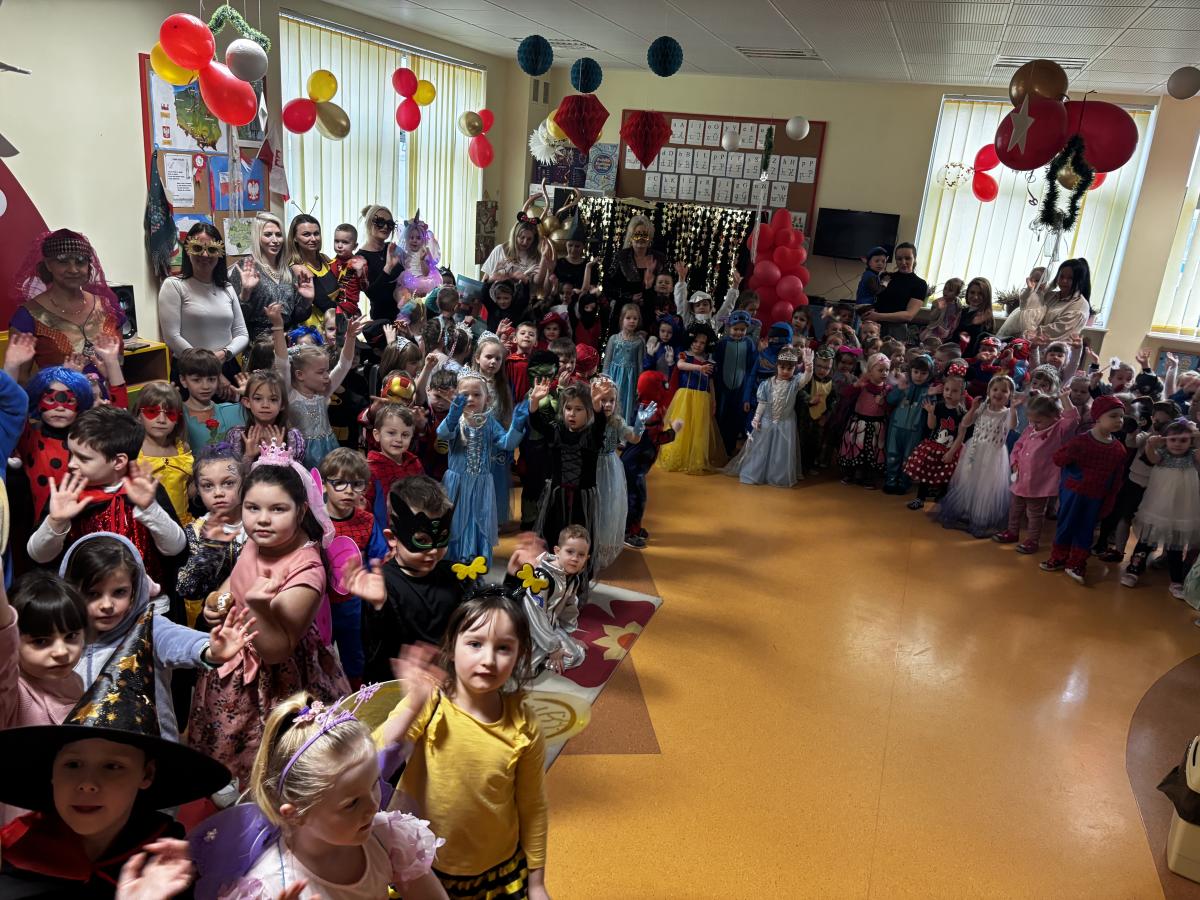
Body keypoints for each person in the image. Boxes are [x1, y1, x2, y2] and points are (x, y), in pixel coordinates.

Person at [0, 606, 230, 899]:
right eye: (72, 765)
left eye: (112, 766)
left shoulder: (165, 860)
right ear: (52, 773)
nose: (87, 784)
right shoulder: (16, 853)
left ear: (146, 774)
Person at [373, 590, 550, 900]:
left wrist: (537, 884)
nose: (488, 660)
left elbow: (532, 807)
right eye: (475, 644)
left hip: (496, 870)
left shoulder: (524, 725)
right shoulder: (431, 702)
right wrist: (413, 704)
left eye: (504, 648)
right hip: (423, 868)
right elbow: (375, 756)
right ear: (452, 648)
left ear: (520, 655)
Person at [191, 688, 448, 900]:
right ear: (295, 814)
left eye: (373, 784)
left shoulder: (385, 838)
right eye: (351, 803)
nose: (373, 806)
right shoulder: (273, 887)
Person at [189, 459, 351, 783]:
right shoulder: (262, 538)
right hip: (233, 659)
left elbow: (277, 651)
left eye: (278, 509)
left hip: (276, 680)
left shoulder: (308, 570)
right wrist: (216, 602)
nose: (262, 519)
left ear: (301, 511)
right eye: (253, 508)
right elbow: (235, 580)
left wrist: (258, 608)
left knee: (272, 765)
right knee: (225, 758)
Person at [61, 531, 251, 740]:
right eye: (93, 594)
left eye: (119, 592)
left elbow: (177, 639)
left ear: (135, 589)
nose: (107, 605)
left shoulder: (148, 626)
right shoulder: (62, 636)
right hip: (84, 750)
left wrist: (209, 650)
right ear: (71, 591)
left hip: (150, 750)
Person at [28, 406, 187, 589]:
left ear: (118, 461)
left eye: (83, 459)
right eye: (71, 454)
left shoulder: (146, 490)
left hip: (148, 600)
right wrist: (56, 521)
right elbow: (38, 556)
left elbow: (176, 548)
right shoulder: (67, 494)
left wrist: (150, 508)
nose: (71, 464)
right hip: (83, 599)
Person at [439, 371, 538, 566]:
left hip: (482, 485)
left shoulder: (489, 422)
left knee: (479, 522)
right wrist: (453, 415)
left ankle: (476, 564)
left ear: (488, 399)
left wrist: (518, 421)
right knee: (456, 523)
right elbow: (443, 433)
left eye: (477, 394)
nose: (470, 399)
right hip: (457, 486)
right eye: (465, 395)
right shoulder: (456, 421)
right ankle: (454, 564)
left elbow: (508, 443)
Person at [9, 228, 125, 382]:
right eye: (63, 261)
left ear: (89, 265)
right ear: (48, 265)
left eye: (80, 262)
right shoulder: (28, 316)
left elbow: (119, 365)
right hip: (59, 397)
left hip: (111, 396)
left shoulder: (107, 306)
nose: (73, 269)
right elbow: (19, 381)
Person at [1039, 394, 1127, 583]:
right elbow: (1058, 459)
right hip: (1074, 494)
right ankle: (1059, 557)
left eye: (1121, 416)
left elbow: (1116, 480)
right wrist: (1071, 453)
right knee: (1066, 525)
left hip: (1095, 497)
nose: (1119, 420)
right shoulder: (1081, 441)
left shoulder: (1118, 450)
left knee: (1086, 530)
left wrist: (1109, 501)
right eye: (1113, 415)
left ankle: (1077, 563)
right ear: (1098, 417)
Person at [270, 302, 362, 469]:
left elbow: (344, 364)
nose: (327, 376)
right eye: (321, 372)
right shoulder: (290, 393)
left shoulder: (323, 392)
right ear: (300, 375)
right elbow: (282, 362)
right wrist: (277, 326)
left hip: (329, 452)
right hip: (301, 455)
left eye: (326, 371)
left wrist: (350, 338)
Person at [156, 223, 248, 378]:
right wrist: (206, 365)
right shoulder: (174, 285)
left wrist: (225, 354)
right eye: (198, 248)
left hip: (226, 365)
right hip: (191, 370)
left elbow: (242, 333)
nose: (205, 255)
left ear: (220, 253)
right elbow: (171, 336)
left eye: (212, 249)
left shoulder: (227, 288)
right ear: (188, 250)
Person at [1121, 419, 1200, 597]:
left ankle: (1176, 580)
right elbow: (1152, 458)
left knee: (1176, 546)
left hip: (1181, 509)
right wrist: (1150, 444)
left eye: (1183, 440)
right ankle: (1133, 570)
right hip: (1157, 506)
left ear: (1191, 441)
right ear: (1165, 440)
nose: (1177, 444)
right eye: (1173, 440)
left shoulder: (1192, 455)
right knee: (1146, 541)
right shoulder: (1162, 454)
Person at [993, 390, 1078, 554]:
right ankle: (1012, 532)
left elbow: (1072, 419)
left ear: (1054, 416)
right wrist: (1014, 462)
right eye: (1032, 421)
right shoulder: (1031, 428)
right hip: (1020, 478)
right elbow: (1018, 446)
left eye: (1038, 421)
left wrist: (1065, 399)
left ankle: (1032, 540)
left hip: (1039, 482)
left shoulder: (1059, 429)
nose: (1033, 424)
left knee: (1034, 513)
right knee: (1015, 508)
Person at [935, 374, 1014, 537]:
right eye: (995, 389)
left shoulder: (1007, 413)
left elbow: (1012, 426)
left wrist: (1014, 408)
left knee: (986, 485)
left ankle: (981, 515)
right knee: (969, 479)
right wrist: (972, 409)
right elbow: (965, 423)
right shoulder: (983, 408)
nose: (998, 393)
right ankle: (966, 511)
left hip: (993, 455)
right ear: (989, 391)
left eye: (1004, 391)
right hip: (975, 450)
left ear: (1010, 395)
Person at [177, 445, 247, 629]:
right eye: (208, 486)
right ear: (198, 490)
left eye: (228, 483)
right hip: (216, 624)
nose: (218, 493)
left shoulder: (259, 523)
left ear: (244, 482)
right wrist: (211, 549)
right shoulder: (195, 531)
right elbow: (189, 589)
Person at [724, 346, 813, 487]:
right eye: (782, 367)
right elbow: (762, 403)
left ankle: (777, 476)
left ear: (794, 368)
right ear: (777, 366)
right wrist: (756, 418)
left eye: (789, 368)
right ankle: (755, 473)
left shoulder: (795, 383)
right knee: (761, 449)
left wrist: (808, 367)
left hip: (785, 422)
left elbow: (806, 378)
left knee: (780, 452)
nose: (785, 371)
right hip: (766, 421)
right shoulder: (766, 384)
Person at [508, 526, 590, 674]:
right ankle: (538, 657)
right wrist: (553, 648)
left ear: (586, 558)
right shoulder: (542, 578)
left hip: (549, 627)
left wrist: (568, 636)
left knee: (575, 655)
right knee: (523, 670)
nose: (575, 558)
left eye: (581, 555)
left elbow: (569, 608)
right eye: (570, 552)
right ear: (557, 551)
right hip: (527, 629)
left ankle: (547, 654)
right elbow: (534, 615)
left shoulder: (573, 578)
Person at [232, 211, 316, 340]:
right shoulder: (246, 267)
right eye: (268, 235)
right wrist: (245, 294)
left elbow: (297, 317)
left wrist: (307, 301)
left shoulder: (288, 270)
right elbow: (236, 319)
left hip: (288, 340)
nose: (275, 240)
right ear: (257, 237)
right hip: (259, 343)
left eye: (279, 235)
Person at [657, 323, 725, 475]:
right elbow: (680, 366)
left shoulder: (710, 361)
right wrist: (699, 368)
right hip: (685, 396)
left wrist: (713, 400)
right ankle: (676, 456)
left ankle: (696, 459)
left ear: (707, 344)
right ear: (690, 341)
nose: (698, 345)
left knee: (698, 429)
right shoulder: (685, 355)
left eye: (702, 343)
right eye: (695, 341)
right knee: (683, 425)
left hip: (702, 398)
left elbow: (711, 382)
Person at [903, 371, 968, 510]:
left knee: (945, 475)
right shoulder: (938, 406)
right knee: (926, 471)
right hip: (934, 446)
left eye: (954, 391)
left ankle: (941, 499)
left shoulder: (962, 413)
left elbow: (960, 436)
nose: (949, 393)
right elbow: (931, 426)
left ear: (962, 394)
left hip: (950, 449)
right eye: (947, 389)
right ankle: (920, 498)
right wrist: (931, 413)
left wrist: (951, 452)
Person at [133, 381, 193, 525]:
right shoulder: (133, 450)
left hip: (182, 524)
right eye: (152, 412)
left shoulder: (182, 448)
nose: (161, 420)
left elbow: (188, 490)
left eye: (170, 414)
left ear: (178, 419)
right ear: (139, 415)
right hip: (146, 526)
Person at [226, 368, 306, 463]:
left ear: (282, 404)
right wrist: (248, 456)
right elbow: (231, 471)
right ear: (247, 402)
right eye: (258, 399)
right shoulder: (237, 436)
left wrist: (278, 454)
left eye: (273, 399)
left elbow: (296, 471)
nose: (265, 405)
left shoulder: (292, 437)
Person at [838, 352, 892, 489]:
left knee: (873, 452)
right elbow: (845, 394)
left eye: (887, 370)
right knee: (855, 448)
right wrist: (856, 385)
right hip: (859, 423)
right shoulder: (863, 385)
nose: (884, 373)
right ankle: (850, 473)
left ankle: (869, 477)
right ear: (870, 371)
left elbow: (890, 408)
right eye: (880, 370)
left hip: (877, 425)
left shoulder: (887, 389)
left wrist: (883, 403)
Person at [883, 354, 933, 493]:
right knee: (892, 454)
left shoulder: (930, 391)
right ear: (911, 371)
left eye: (923, 373)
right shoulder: (904, 385)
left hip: (915, 431)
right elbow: (890, 400)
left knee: (909, 458)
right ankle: (890, 481)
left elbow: (931, 408)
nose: (918, 376)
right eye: (916, 372)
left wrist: (928, 394)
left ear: (929, 374)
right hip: (896, 427)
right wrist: (899, 389)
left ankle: (904, 483)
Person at [367, 403, 423, 523]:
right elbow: (365, 508)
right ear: (377, 435)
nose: (398, 439)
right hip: (383, 529)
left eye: (405, 435)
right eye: (391, 433)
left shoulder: (415, 463)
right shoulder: (370, 470)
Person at [714, 310, 759, 456]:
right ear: (729, 327)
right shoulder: (722, 343)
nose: (739, 332)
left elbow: (752, 366)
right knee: (721, 416)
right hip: (723, 388)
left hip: (741, 388)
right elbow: (716, 363)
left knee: (736, 418)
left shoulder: (749, 344)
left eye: (742, 329)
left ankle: (730, 447)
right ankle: (718, 448)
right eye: (735, 329)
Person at [862, 242, 928, 342]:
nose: (903, 262)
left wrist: (878, 316)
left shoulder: (920, 284)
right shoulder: (885, 277)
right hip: (873, 326)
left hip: (896, 330)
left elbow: (909, 315)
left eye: (908, 258)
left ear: (914, 258)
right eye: (899, 259)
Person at [355, 205, 406, 323]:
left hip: (407, 317)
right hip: (383, 323)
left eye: (390, 224)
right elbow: (373, 295)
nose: (385, 227)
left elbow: (410, 274)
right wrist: (388, 268)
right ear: (369, 223)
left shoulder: (392, 248)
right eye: (380, 222)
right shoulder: (360, 259)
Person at [610, 214, 668, 310]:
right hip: (625, 311)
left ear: (650, 237)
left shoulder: (659, 258)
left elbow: (666, 287)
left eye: (644, 235)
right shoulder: (621, 257)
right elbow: (609, 286)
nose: (641, 238)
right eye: (637, 234)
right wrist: (629, 298)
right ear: (631, 236)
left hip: (653, 310)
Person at [288, 214, 340, 319]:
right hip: (314, 326)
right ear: (295, 238)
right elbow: (323, 303)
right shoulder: (298, 268)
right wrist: (346, 315)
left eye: (316, 233)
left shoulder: (324, 258)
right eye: (306, 234)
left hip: (334, 320)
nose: (313, 239)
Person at [603, 303, 647, 424]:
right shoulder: (614, 339)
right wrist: (605, 381)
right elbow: (607, 361)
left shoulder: (639, 342)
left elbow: (640, 365)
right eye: (628, 318)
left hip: (630, 381)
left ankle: (623, 432)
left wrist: (640, 385)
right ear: (622, 319)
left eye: (635, 318)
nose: (632, 321)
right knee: (613, 403)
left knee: (626, 405)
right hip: (614, 378)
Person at [482, 217, 550, 289]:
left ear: (534, 240)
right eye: (522, 237)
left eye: (529, 239)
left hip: (521, 295)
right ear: (515, 236)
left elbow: (536, 283)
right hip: (495, 294)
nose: (525, 242)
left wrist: (544, 256)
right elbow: (485, 280)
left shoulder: (535, 257)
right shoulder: (499, 250)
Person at [329, 222, 368, 315]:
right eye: (337, 241)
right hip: (333, 309)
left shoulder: (360, 262)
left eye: (345, 242)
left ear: (355, 246)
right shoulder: (330, 264)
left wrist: (360, 273)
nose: (339, 245)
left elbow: (366, 289)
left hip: (351, 311)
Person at [957, 277, 996, 359]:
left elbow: (976, 347)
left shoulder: (985, 317)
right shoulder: (963, 311)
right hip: (954, 351)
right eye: (972, 292)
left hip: (967, 358)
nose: (975, 297)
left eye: (980, 294)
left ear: (986, 296)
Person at [919, 278, 963, 345]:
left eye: (950, 290)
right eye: (945, 288)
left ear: (957, 293)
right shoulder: (938, 302)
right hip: (935, 330)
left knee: (941, 347)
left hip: (947, 331)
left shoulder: (958, 303)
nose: (945, 292)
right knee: (931, 345)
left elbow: (957, 317)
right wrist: (938, 309)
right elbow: (931, 317)